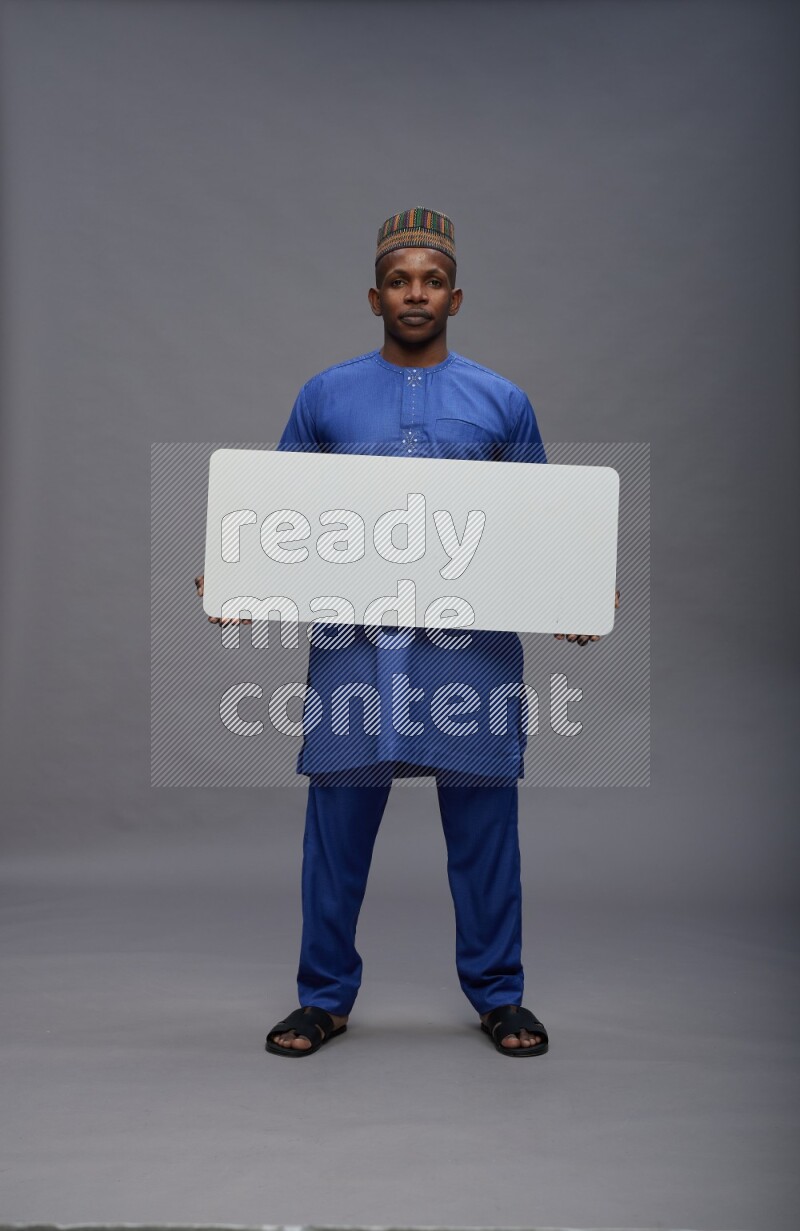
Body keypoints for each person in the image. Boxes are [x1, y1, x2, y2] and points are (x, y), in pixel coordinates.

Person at [195, 208, 618, 1057]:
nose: (414, 293)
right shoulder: (325, 396)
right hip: (359, 651)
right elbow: (276, 513)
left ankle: (501, 995)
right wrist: (241, 575)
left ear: (455, 297)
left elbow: (539, 526)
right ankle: (322, 997)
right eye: (399, 280)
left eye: (430, 280)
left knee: (486, 830)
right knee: (337, 832)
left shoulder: (502, 400)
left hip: (472, 657)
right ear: (374, 295)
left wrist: (571, 598)